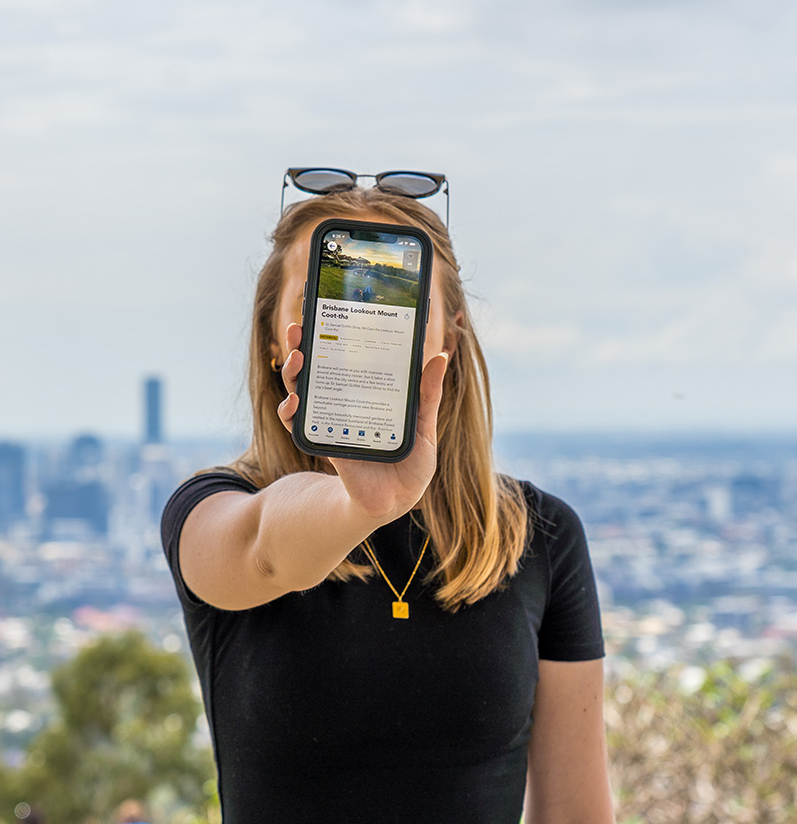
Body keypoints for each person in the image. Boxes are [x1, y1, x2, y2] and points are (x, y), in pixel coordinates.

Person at [160, 173, 614, 823]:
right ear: (271, 337)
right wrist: (363, 507)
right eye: (327, 298)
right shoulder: (212, 505)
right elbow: (262, 553)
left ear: (448, 338)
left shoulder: (541, 536)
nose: (366, 328)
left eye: (394, 305)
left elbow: (576, 815)